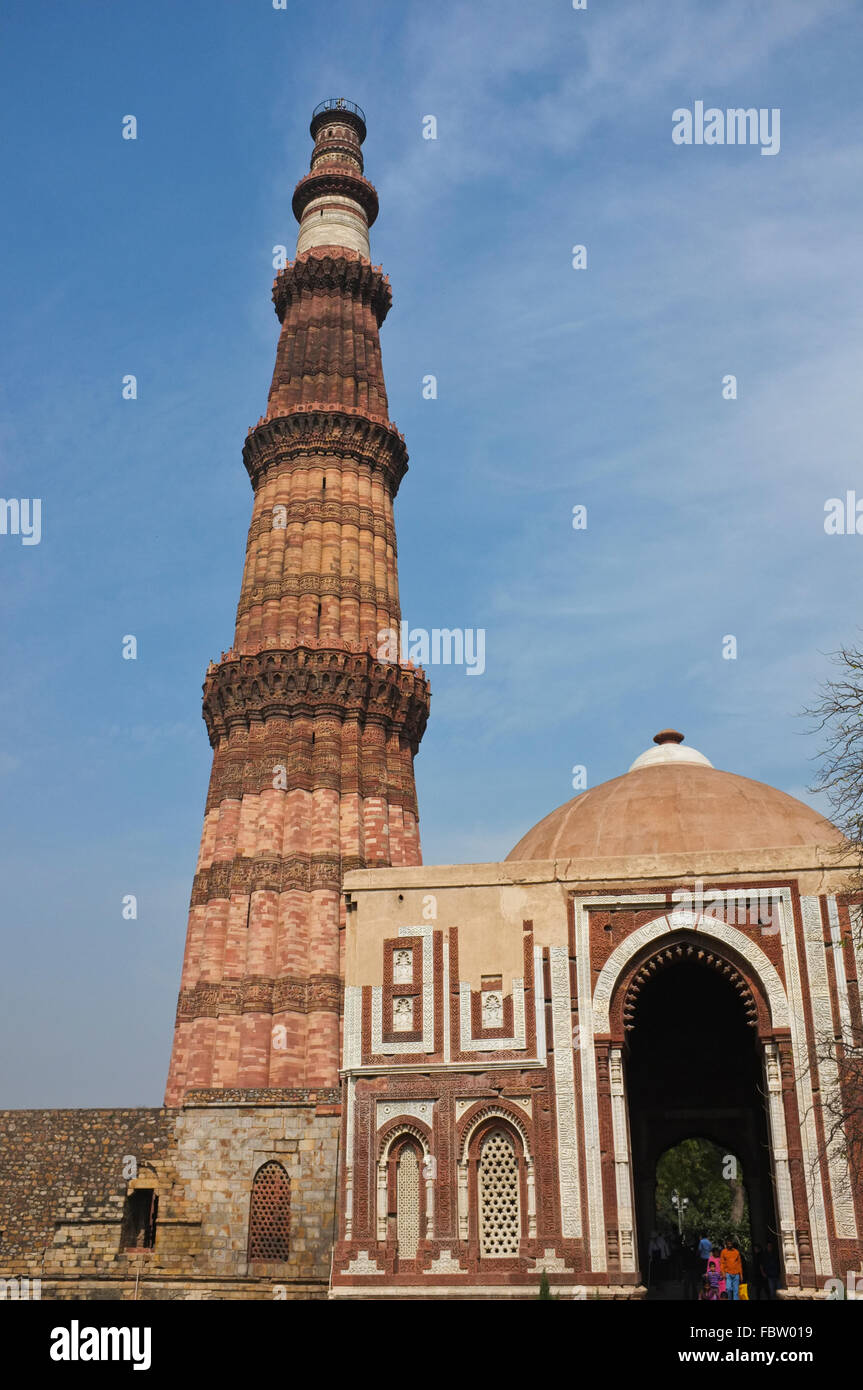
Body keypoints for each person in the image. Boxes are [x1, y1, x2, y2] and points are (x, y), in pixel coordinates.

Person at [721, 1236, 743, 1300]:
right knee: (728, 1289)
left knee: (736, 1291)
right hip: (728, 1273)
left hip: (736, 1274)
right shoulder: (723, 1252)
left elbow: (739, 1264)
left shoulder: (736, 1252)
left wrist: (741, 1274)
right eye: (728, 1243)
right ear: (726, 1244)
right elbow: (722, 1263)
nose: (729, 1245)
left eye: (730, 1243)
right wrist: (723, 1273)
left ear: (732, 1243)